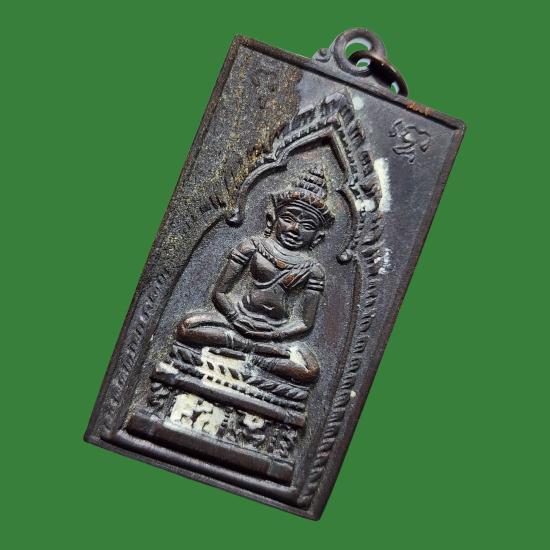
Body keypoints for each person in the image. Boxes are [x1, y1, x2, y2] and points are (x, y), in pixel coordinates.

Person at [177, 165, 334, 383]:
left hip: (275, 335)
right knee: (188, 327)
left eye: (307, 226)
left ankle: (252, 357)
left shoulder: (313, 270)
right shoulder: (252, 246)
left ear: (317, 237)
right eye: (288, 218)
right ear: (273, 219)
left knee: (309, 370)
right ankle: (252, 356)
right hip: (235, 322)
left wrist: (275, 334)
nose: (295, 229)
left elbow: (304, 323)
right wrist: (235, 318)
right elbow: (219, 292)